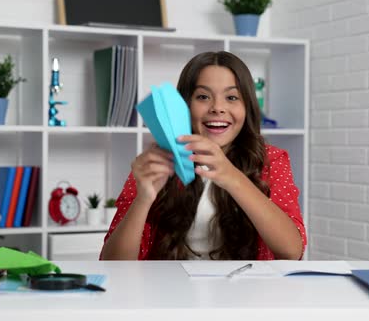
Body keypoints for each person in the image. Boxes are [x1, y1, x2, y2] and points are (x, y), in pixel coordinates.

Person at [100, 51, 306, 260]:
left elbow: (291, 251)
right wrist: (143, 200)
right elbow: (113, 263)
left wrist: (232, 177)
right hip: (167, 290)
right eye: (203, 97)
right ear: (185, 105)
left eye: (232, 97)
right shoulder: (156, 163)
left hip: (246, 291)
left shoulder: (272, 160)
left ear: (247, 107)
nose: (217, 108)